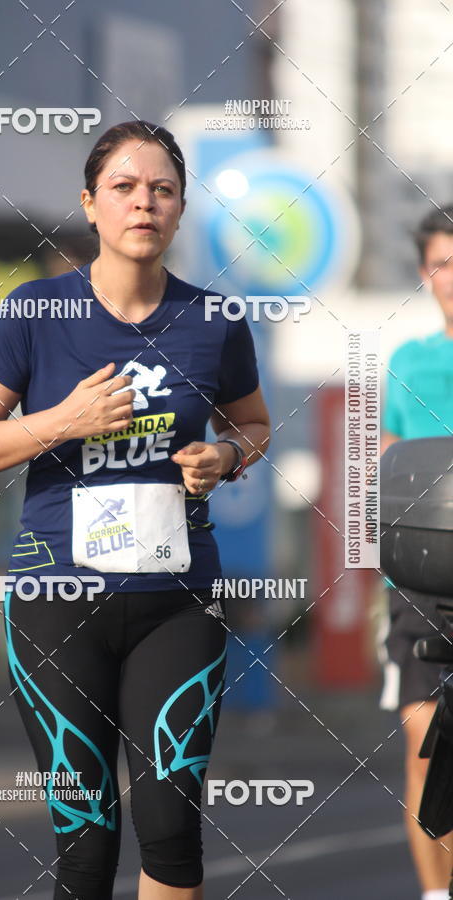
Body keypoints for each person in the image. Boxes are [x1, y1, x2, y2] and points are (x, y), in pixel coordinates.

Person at [0, 120, 271, 900]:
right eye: (124, 188)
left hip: (178, 603)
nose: (144, 204)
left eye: (162, 190)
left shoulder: (215, 321)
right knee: (86, 840)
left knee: (172, 831)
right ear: (90, 204)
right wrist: (63, 420)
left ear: (181, 209)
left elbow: (253, 424)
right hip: (56, 602)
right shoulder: (34, 313)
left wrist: (226, 457)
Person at [380, 205, 453, 900]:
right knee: (426, 746)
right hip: (423, 585)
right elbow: (385, 464)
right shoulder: (408, 362)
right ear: (426, 273)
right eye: (442, 263)